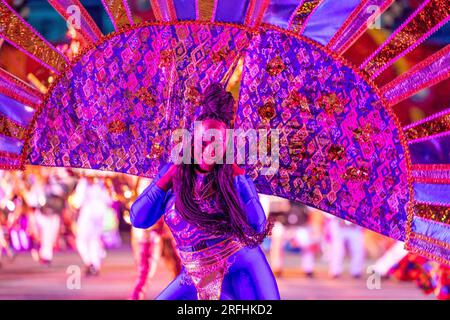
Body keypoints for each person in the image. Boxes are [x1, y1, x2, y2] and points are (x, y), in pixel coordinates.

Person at [131, 83, 280, 300]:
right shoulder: (174, 174)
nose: (209, 149)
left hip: (240, 267)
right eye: (203, 141)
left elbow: (256, 225)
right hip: (194, 272)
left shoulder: (233, 177)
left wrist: (240, 178)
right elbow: (138, 218)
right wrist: (165, 179)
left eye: (217, 143)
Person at [73, 176, 111, 276]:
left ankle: (89, 262)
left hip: (88, 214)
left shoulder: (84, 181)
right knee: (95, 240)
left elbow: (78, 200)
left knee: (81, 240)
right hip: (100, 214)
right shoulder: (104, 181)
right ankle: (95, 265)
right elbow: (109, 199)